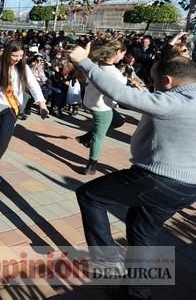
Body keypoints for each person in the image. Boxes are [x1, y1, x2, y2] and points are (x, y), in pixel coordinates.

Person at [70, 46, 196, 300]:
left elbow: (120, 93)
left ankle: (107, 265)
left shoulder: (175, 102)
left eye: (155, 82)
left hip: (160, 178)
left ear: (168, 81)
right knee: (142, 232)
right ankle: (138, 294)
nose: (153, 87)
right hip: (188, 187)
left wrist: (84, 62)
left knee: (90, 195)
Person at [0, 36, 49, 184]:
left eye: (20, 56)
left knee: (3, 143)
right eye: (14, 55)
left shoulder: (24, 68)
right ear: (8, 53)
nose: (17, 59)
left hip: (12, 109)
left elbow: (34, 86)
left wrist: (42, 104)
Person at [76, 39, 127, 174]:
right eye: (123, 54)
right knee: (99, 136)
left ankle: (86, 138)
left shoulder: (95, 65)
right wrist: (128, 76)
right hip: (102, 108)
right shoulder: (114, 72)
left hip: (91, 101)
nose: (123, 57)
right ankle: (91, 166)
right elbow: (123, 88)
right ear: (117, 52)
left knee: (119, 121)